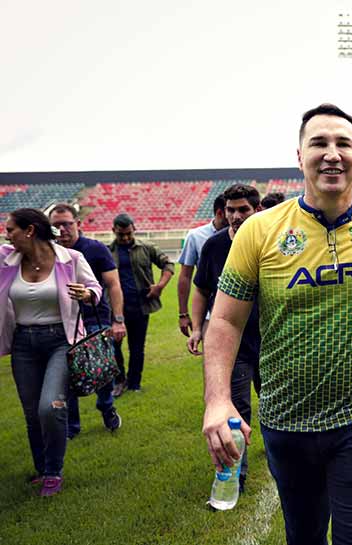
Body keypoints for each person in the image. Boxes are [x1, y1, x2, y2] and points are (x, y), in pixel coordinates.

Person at [201, 103, 352, 545]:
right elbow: (225, 321)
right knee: (304, 535)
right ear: (299, 156)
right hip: (286, 418)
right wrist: (218, 401)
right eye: (319, 143)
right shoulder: (259, 230)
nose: (332, 153)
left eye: (343, 143)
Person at [1, 208, 102, 496]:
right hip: (23, 343)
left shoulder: (71, 259)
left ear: (29, 230)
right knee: (32, 412)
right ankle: (42, 469)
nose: (7, 235)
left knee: (50, 407)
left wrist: (87, 293)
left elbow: (96, 288)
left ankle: (54, 472)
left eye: (11, 230)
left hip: (61, 340)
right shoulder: (6, 259)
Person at [188, 183, 261, 493]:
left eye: (243, 209)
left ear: (257, 210)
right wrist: (195, 328)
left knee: (276, 408)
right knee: (235, 409)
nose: (235, 216)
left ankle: (288, 462)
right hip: (234, 346)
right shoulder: (214, 247)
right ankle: (234, 477)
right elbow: (201, 290)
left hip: (274, 341)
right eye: (230, 210)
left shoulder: (271, 242)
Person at [48, 204, 125, 439]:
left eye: (67, 224)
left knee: (99, 371)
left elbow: (113, 285)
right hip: (63, 322)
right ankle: (72, 426)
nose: (62, 229)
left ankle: (106, 407)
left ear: (78, 223)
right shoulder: (48, 252)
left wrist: (118, 320)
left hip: (95, 320)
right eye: (56, 225)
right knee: (67, 375)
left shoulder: (95, 249)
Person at [108, 214, 175, 395]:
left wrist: (159, 286)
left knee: (137, 347)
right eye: (121, 235)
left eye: (129, 233)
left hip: (140, 305)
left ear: (134, 229)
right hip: (115, 308)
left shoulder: (146, 248)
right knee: (114, 347)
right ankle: (119, 381)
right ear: (113, 230)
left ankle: (134, 382)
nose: (126, 238)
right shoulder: (107, 251)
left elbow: (168, 265)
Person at [177, 194, 227, 337]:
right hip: (208, 313)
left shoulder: (242, 233)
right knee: (212, 357)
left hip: (240, 310)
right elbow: (185, 276)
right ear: (220, 213)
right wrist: (183, 314)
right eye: (230, 211)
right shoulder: (196, 236)